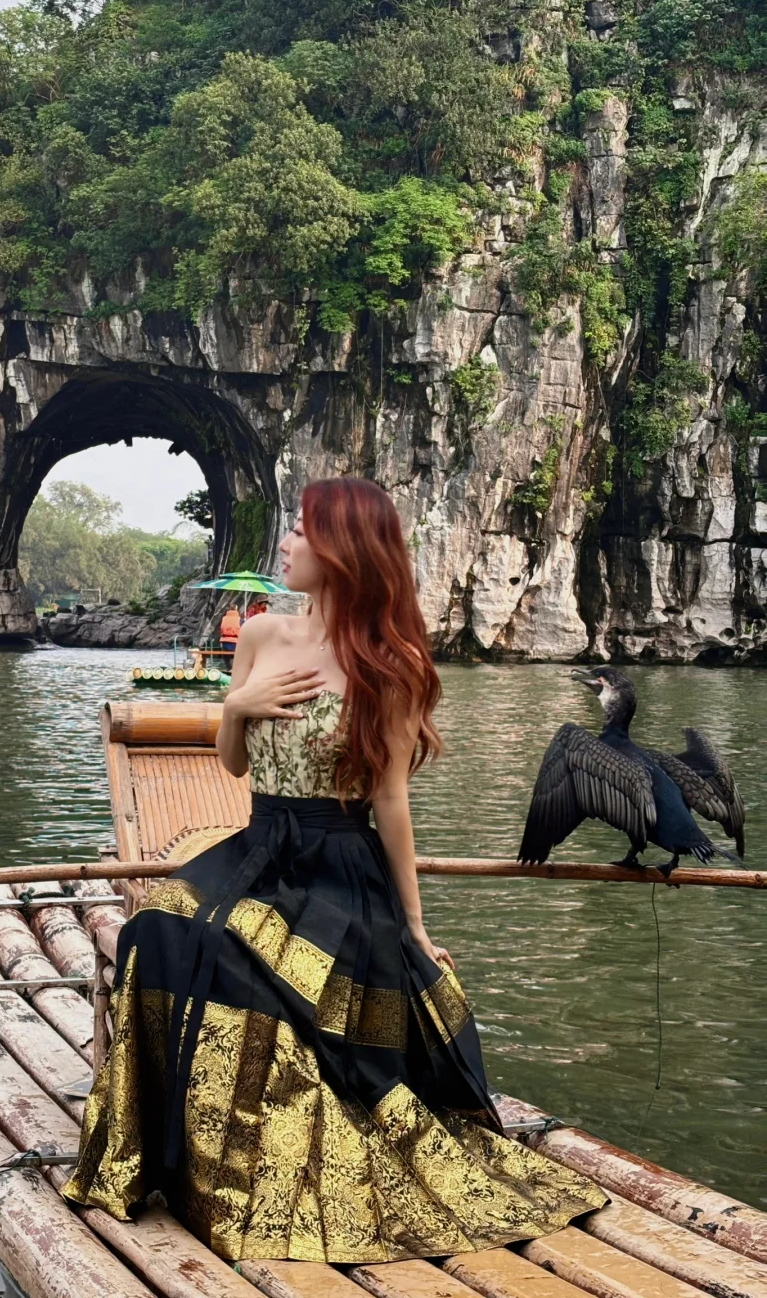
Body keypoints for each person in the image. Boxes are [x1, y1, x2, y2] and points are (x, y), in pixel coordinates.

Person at [63, 477, 606, 1262]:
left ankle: (255, 1156)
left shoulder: (391, 663)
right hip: (260, 847)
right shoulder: (260, 636)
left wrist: (415, 927)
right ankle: (172, 1154)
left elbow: (389, 799)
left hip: (340, 870)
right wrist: (238, 710)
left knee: (236, 962)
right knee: (155, 929)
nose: (285, 542)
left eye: (300, 531)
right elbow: (235, 764)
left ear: (341, 550)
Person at [218, 604, 241, 669]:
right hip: (235, 642)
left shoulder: (223, 619)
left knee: (226, 656)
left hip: (224, 642)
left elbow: (220, 629)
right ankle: (236, 669)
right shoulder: (239, 620)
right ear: (236, 609)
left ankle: (229, 668)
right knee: (240, 655)